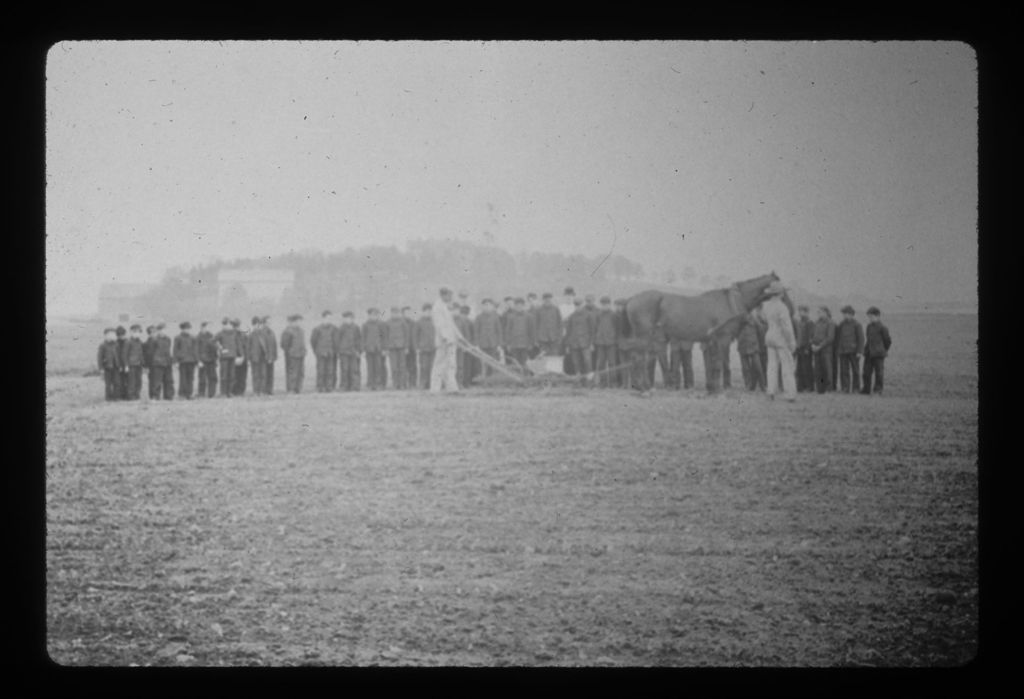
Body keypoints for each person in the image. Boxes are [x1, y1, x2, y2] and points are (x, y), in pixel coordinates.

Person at [761, 280, 797, 401]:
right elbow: (787, 327)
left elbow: (764, 319)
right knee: (787, 365)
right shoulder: (782, 307)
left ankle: (771, 390)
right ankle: (790, 393)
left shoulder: (766, 305)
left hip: (769, 335)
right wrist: (791, 342)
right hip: (780, 337)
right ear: (780, 294)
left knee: (771, 365)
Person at [429, 287, 462, 393]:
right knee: (439, 365)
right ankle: (434, 389)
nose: (451, 298)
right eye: (450, 295)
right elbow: (439, 325)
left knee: (451, 365)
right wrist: (447, 338)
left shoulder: (445, 307)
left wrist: (460, 337)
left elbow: (451, 324)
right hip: (444, 341)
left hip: (451, 340)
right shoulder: (437, 307)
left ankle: (452, 388)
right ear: (444, 295)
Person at [860, 307, 892, 395]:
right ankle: (866, 389)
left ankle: (878, 390)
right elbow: (868, 340)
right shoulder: (869, 327)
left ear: (878, 316)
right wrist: (865, 350)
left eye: (871, 316)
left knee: (879, 373)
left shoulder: (883, 328)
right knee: (866, 373)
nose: (870, 318)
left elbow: (887, 341)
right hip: (869, 353)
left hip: (878, 354)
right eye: (869, 317)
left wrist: (882, 350)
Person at [836, 305, 865, 393]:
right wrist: (838, 350)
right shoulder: (841, 324)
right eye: (844, 314)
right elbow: (838, 337)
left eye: (847, 314)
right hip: (843, 351)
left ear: (852, 314)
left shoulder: (857, 324)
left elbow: (861, 339)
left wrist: (860, 351)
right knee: (844, 371)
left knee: (855, 370)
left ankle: (856, 388)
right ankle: (845, 388)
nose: (845, 316)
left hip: (854, 351)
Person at [565, 298, 595, 383]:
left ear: (582, 305)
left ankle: (590, 379)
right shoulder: (571, 316)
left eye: (579, 305)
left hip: (585, 343)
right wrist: (568, 345)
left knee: (587, 360)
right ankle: (578, 379)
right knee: (576, 362)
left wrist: (591, 343)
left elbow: (592, 330)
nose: (577, 307)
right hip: (574, 343)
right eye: (576, 305)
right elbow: (568, 331)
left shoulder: (589, 315)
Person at [472, 298, 504, 379]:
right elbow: (476, 332)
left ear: (492, 306)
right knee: (483, 363)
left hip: (493, 344)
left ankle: (492, 379)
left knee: (493, 362)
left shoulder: (495, 317)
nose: (487, 307)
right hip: (482, 344)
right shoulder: (478, 317)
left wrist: (499, 344)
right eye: (485, 305)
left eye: (489, 305)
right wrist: (476, 344)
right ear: (482, 307)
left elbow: (499, 331)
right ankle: (484, 379)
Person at [503, 297, 536, 371]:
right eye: (517, 305)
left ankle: (525, 378)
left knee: (524, 363)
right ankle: (517, 379)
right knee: (515, 363)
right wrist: (508, 343)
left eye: (521, 305)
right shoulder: (511, 317)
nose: (519, 307)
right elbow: (508, 331)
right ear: (515, 306)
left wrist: (531, 343)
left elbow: (532, 331)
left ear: (524, 306)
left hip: (525, 344)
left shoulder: (529, 317)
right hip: (514, 344)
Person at [737, 311, 766, 392]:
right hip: (742, 346)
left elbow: (761, 331)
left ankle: (762, 386)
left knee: (758, 367)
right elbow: (734, 331)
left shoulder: (754, 319)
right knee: (745, 368)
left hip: (753, 346)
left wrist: (757, 342)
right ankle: (748, 385)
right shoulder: (738, 320)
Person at [593, 296, 618, 388]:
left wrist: (614, 339)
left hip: (611, 343)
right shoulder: (598, 315)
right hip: (600, 343)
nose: (604, 306)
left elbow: (617, 328)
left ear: (609, 305)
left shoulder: (614, 315)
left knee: (612, 363)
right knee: (601, 364)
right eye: (603, 305)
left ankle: (613, 383)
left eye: (606, 304)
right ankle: (602, 383)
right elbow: (595, 328)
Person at [810, 306, 835, 394]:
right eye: (818, 312)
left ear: (826, 312)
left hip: (826, 350)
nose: (819, 314)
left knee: (827, 369)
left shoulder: (830, 323)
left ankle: (829, 389)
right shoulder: (817, 323)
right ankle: (820, 389)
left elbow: (830, 338)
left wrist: (819, 346)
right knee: (818, 369)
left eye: (820, 312)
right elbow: (813, 335)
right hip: (817, 350)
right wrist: (812, 344)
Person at [335, 311, 363, 391]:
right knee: (344, 369)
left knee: (354, 370)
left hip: (353, 352)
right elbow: (337, 340)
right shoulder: (341, 328)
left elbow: (359, 339)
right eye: (345, 318)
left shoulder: (356, 328)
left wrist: (359, 351)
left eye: (349, 318)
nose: (347, 320)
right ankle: (344, 386)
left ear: (352, 319)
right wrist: (339, 351)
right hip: (344, 352)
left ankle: (355, 386)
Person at [311, 310, 337, 393]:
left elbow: (336, 340)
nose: (329, 320)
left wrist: (333, 350)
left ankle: (329, 387)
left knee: (330, 371)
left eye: (330, 318)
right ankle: (320, 387)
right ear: (323, 318)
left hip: (330, 352)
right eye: (327, 318)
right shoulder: (317, 329)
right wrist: (317, 351)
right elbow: (313, 341)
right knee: (321, 370)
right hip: (321, 352)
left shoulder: (334, 328)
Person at [384, 306, 410, 390]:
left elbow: (406, 335)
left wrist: (406, 347)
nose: (395, 315)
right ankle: (395, 384)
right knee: (394, 366)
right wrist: (386, 348)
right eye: (393, 313)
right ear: (391, 313)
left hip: (401, 347)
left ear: (399, 314)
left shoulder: (403, 322)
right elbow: (385, 336)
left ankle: (403, 384)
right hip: (392, 348)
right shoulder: (387, 323)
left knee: (402, 366)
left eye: (396, 313)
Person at [280, 314, 306, 393]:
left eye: (300, 321)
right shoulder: (288, 331)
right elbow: (284, 344)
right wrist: (290, 352)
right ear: (293, 322)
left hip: (301, 354)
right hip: (292, 355)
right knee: (292, 373)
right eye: (298, 321)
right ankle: (291, 389)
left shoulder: (301, 331)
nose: (299, 323)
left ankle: (298, 388)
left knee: (300, 372)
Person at [173, 321, 199, 399]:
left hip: (191, 361)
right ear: (182, 329)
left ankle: (189, 394)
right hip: (182, 361)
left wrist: (197, 360)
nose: (187, 330)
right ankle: (182, 394)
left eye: (188, 328)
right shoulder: (178, 338)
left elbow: (195, 350)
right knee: (183, 378)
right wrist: (175, 361)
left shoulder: (193, 337)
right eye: (185, 329)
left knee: (190, 378)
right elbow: (175, 350)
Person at [214, 317, 239, 397]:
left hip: (232, 356)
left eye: (231, 324)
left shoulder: (234, 333)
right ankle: (223, 392)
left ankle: (230, 392)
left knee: (232, 375)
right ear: (224, 325)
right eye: (228, 324)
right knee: (224, 375)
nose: (230, 326)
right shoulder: (220, 333)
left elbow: (238, 344)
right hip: (224, 357)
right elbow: (213, 341)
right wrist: (219, 347)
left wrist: (239, 355)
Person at [362, 308, 386, 390]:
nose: (374, 317)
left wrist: (384, 349)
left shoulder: (381, 324)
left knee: (378, 367)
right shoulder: (365, 325)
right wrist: (363, 350)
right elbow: (363, 338)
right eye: (372, 315)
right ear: (369, 316)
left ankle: (378, 384)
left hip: (378, 349)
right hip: (369, 349)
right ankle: (370, 384)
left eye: (376, 315)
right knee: (370, 367)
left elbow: (384, 337)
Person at [150, 323, 174, 400]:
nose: (164, 331)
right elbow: (152, 352)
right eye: (163, 330)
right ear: (159, 331)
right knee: (157, 381)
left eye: (165, 329)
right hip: (158, 363)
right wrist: (156, 360)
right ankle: (156, 396)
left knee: (168, 380)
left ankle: (168, 396)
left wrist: (170, 361)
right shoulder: (154, 339)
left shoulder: (168, 339)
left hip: (167, 362)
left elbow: (168, 350)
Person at [794, 305, 815, 392]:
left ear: (806, 312)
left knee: (807, 368)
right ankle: (800, 387)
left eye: (801, 311)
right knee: (799, 368)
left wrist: (807, 348)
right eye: (799, 311)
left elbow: (811, 337)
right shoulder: (799, 322)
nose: (800, 313)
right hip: (800, 348)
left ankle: (809, 387)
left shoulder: (810, 323)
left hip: (806, 348)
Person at [97, 328, 122, 401]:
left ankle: (116, 397)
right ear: (105, 336)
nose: (112, 336)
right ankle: (108, 398)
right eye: (110, 334)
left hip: (116, 367)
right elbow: (99, 358)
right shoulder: (103, 345)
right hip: (107, 367)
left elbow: (118, 355)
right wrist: (101, 369)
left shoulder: (116, 344)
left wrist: (120, 365)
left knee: (117, 382)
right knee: (108, 384)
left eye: (114, 334)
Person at [415, 303, 436, 389]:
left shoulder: (435, 321)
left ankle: (432, 384)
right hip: (423, 348)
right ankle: (423, 383)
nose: (429, 313)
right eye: (427, 311)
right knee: (424, 366)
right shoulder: (419, 322)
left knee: (433, 366)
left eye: (430, 311)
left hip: (433, 348)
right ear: (423, 312)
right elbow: (415, 336)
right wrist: (417, 347)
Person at [535, 293, 563, 357]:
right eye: (546, 300)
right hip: (542, 339)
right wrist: (536, 339)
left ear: (551, 300)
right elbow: (536, 325)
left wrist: (559, 337)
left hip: (554, 339)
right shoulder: (539, 310)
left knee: (553, 357)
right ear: (543, 300)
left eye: (549, 300)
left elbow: (560, 324)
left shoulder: (556, 309)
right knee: (544, 357)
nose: (547, 301)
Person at [196, 321, 218, 398]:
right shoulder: (198, 337)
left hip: (211, 360)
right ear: (202, 327)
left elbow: (215, 348)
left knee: (213, 378)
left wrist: (216, 359)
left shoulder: (211, 336)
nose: (207, 328)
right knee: (202, 378)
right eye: (206, 327)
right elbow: (196, 350)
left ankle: (211, 394)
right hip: (203, 361)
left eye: (208, 327)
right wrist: (198, 361)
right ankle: (201, 394)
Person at [123, 325, 145, 400]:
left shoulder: (140, 342)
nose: (137, 334)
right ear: (131, 332)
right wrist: (126, 365)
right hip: (131, 365)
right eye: (135, 332)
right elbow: (124, 354)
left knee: (139, 381)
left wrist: (143, 363)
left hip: (139, 364)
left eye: (139, 332)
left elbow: (141, 353)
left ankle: (137, 395)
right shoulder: (128, 342)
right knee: (131, 381)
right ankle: (131, 396)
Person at [559, 287, 578, 375]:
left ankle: (573, 373)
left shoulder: (575, 307)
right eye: (567, 296)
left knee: (573, 354)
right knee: (564, 354)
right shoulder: (560, 308)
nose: (569, 298)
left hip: (574, 335)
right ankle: (565, 372)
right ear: (564, 297)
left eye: (570, 296)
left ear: (573, 297)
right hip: (563, 334)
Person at [248, 316, 268, 396]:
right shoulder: (251, 335)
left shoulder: (263, 334)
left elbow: (266, 346)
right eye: (256, 324)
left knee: (263, 374)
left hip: (262, 358)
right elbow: (248, 348)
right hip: (254, 359)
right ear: (253, 325)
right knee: (256, 375)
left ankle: (262, 391)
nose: (258, 326)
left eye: (259, 324)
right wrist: (249, 359)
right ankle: (256, 391)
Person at [456, 305, 475, 387]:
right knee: (460, 365)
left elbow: (473, 334)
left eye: (466, 314)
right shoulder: (456, 322)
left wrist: (471, 345)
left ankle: (467, 382)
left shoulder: (470, 322)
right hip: (460, 347)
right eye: (462, 314)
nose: (464, 316)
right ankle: (460, 382)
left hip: (468, 347)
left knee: (467, 365)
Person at [231, 318, 249, 397]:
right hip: (236, 358)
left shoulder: (243, 334)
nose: (237, 327)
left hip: (243, 358)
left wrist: (245, 357)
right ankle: (235, 391)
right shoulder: (233, 335)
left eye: (238, 325)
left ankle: (241, 391)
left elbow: (246, 346)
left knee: (242, 375)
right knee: (236, 375)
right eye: (236, 325)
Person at [403, 306, 418, 390]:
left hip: (412, 348)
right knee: (404, 366)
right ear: (403, 314)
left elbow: (415, 336)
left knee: (413, 366)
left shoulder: (414, 323)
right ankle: (404, 383)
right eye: (406, 313)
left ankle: (413, 383)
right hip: (404, 348)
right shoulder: (401, 322)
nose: (408, 314)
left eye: (409, 312)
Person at [262, 316, 278, 395]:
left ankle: (270, 390)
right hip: (264, 358)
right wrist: (266, 356)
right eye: (268, 322)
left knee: (270, 374)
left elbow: (274, 344)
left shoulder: (272, 332)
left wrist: (274, 356)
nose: (269, 324)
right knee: (264, 374)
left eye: (270, 322)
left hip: (271, 357)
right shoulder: (261, 332)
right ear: (264, 323)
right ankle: (264, 390)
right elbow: (262, 346)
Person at [114, 326, 129, 399]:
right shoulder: (116, 343)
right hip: (118, 365)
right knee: (119, 381)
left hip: (126, 365)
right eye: (120, 335)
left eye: (123, 335)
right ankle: (119, 396)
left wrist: (126, 365)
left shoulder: (127, 342)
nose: (122, 337)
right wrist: (119, 365)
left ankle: (126, 396)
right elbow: (116, 355)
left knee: (127, 381)